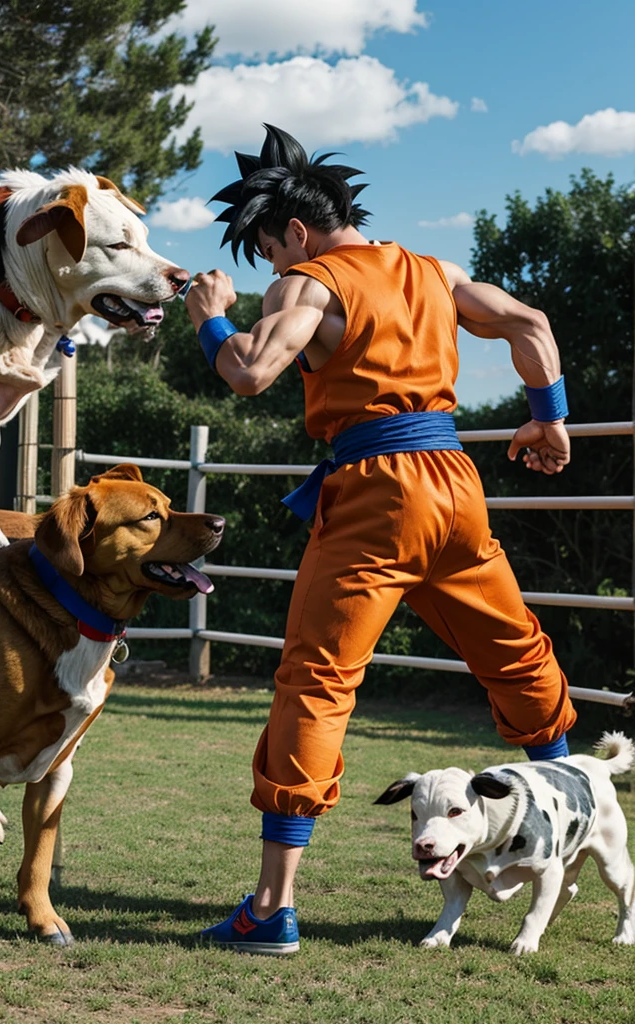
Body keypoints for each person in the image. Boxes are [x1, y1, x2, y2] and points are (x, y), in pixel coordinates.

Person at [184, 124, 577, 955]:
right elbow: (531, 324)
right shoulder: (437, 272)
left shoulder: (310, 282)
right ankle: (564, 843)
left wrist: (212, 320)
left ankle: (270, 910)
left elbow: (251, 370)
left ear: (293, 230)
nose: (276, 269)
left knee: (317, 682)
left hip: (373, 495)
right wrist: (548, 423)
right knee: (518, 656)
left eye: (270, 250)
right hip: (454, 483)